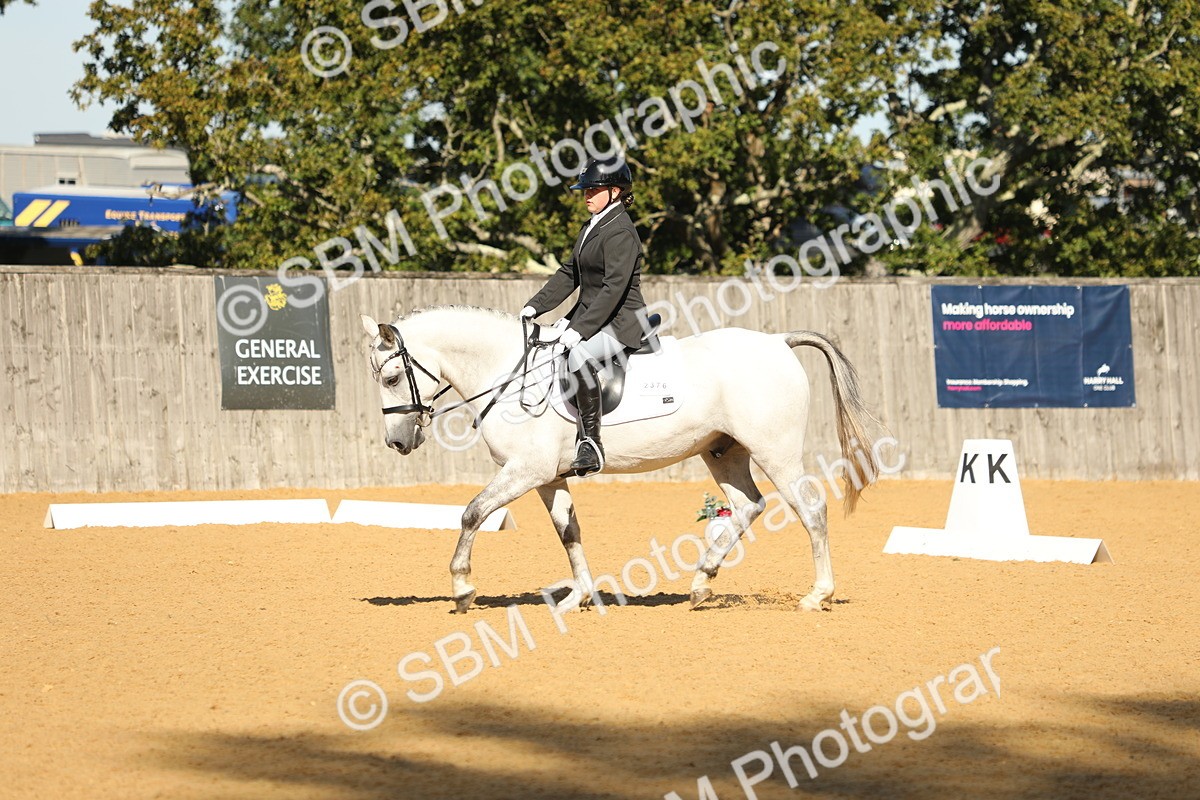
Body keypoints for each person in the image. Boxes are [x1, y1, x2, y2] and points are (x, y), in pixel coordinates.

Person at [520, 156, 647, 476]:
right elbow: (569, 273)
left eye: (594, 189)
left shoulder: (620, 232)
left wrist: (580, 330)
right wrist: (536, 306)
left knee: (578, 357)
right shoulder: (592, 226)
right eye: (585, 190)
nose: (586, 195)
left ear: (615, 191)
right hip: (593, 315)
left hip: (622, 320)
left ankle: (590, 442)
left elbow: (613, 289)